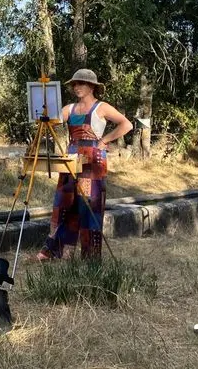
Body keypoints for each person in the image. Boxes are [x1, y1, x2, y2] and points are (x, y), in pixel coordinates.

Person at [36, 69, 133, 261]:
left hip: (92, 164)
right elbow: (49, 121)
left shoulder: (101, 107)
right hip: (70, 160)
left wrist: (105, 141)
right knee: (64, 204)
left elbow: (126, 125)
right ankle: (55, 252)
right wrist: (43, 106)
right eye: (74, 84)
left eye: (81, 83)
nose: (76, 87)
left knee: (89, 206)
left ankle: (90, 257)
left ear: (91, 86)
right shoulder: (69, 109)